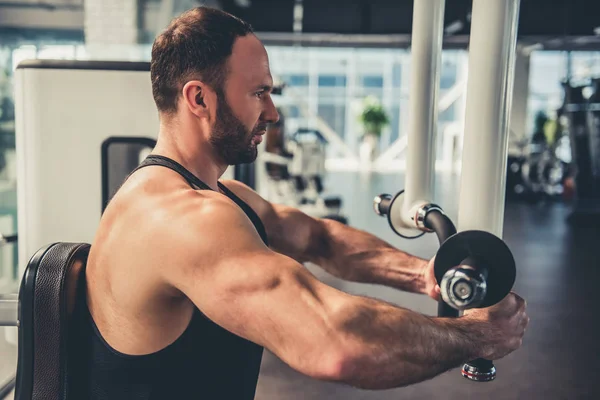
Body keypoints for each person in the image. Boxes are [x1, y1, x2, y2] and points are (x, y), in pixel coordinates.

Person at [83, 6, 529, 399]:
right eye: (259, 93)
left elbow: (319, 239)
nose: (273, 112)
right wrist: (477, 335)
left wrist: (425, 275)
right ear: (199, 98)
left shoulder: (212, 195)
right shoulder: (181, 220)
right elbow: (336, 344)